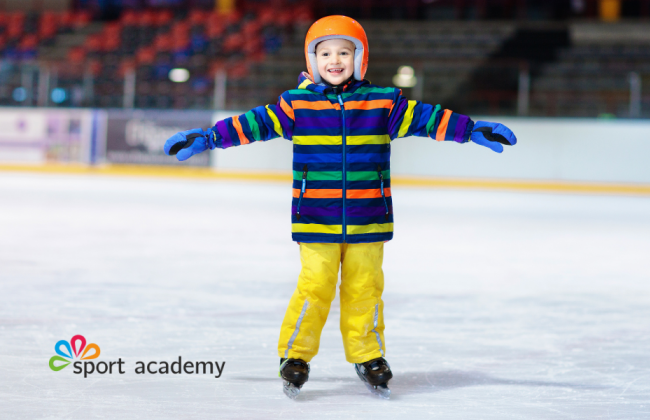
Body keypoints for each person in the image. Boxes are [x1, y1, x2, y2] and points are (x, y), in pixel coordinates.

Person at [164, 15, 516, 399]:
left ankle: (368, 355)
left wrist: (471, 129)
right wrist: (209, 137)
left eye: (345, 52)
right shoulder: (296, 104)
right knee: (314, 287)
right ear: (313, 60)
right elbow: (253, 124)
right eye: (326, 52)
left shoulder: (383, 102)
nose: (335, 59)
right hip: (316, 218)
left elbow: (427, 118)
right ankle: (295, 355)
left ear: (360, 58)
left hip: (369, 219)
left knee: (365, 289)